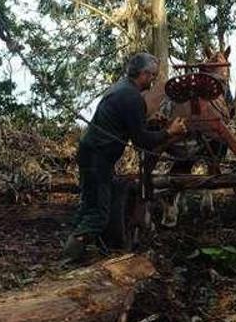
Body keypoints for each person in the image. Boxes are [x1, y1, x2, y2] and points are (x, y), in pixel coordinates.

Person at [62, 52, 186, 264]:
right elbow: (142, 141)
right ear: (144, 74)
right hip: (99, 158)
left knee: (88, 202)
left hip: (89, 152)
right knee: (100, 213)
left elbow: (128, 125)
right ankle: (70, 259)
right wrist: (170, 132)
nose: (153, 80)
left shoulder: (121, 88)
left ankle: (74, 244)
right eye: (153, 75)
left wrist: (150, 120)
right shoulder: (131, 97)